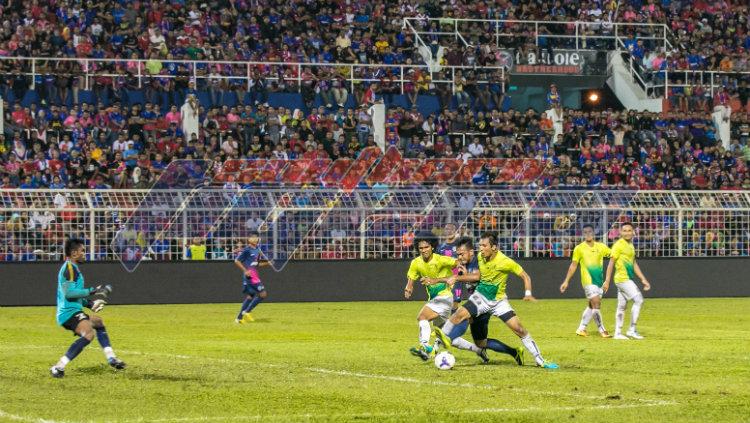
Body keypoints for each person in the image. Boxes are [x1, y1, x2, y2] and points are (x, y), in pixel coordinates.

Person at [434, 232, 558, 369]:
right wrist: (458, 275)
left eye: (484, 245)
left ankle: (540, 360)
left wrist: (528, 293)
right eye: (480, 245)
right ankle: (441, 340)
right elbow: (478, 275)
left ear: (494, 247)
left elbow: (525, 276)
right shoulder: (481, 257)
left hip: (499, 302)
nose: (480, 248)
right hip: (480, 297)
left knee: (520, 329)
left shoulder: (505, 261)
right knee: (462, 319)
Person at [404, 232, 487, 362]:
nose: (424, 250)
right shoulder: (416, 262)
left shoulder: (440, 259)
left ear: (432, 247)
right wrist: (409, 287)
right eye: (421, 248)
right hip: (434, 299)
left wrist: (461, 268)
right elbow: (412, 276)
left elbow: (457, 262)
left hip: (445, 297)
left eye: (426, 247)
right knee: (446, 336)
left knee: (422, 317)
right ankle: (479, 350)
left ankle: (425, 346)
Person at [50, 238, 125, 378]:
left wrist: (90, 304)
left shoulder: (73, 268)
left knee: (98, 321)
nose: (85, 253)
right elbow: (69, 294)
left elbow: (75, 295)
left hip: (73, 311)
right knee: (89, 334)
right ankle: (58, 367)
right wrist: (92, 291)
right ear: (74, 253)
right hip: (68, 313)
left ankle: (111, 358)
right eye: (82, 251)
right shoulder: (69, 268)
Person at [560, 224, 613, 338]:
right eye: (585, 232)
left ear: (593, 233)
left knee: (591, 306)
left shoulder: (601, 247)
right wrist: (566, 281)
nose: (588, 234)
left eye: (590, 231)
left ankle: (581, 328)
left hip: (599, 282)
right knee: (596, 304)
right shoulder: (579, 248)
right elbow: (573, 265)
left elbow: (613, 255)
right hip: (588, 282)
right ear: (583, 234)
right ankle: (602, 330)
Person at [604, 222, 651, 340]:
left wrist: (643, 279)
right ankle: (631, 330)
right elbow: (611, 263)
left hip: (625, 279)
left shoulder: (630, 245)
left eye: (629, 230)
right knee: (639, 300)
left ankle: (618, 333)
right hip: (622, 278)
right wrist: (607, 281)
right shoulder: (618, 245)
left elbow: (634, 263)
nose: (627, 233)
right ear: (620, 232)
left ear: (633, 232)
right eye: (624, 230)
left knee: (621, 306)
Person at [234, 231, 269, 323]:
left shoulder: (257, 249)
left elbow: (256, 264)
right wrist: (245, 271)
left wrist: (267, 263)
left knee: (250, 297)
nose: (255, 239)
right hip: (250, 276)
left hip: (254, 274)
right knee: (263, 294)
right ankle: (247, 312)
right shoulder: (247, 250)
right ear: (249, 239)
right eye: (252, 237)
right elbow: (237, 261)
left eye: (256, 237)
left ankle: (239, 318)